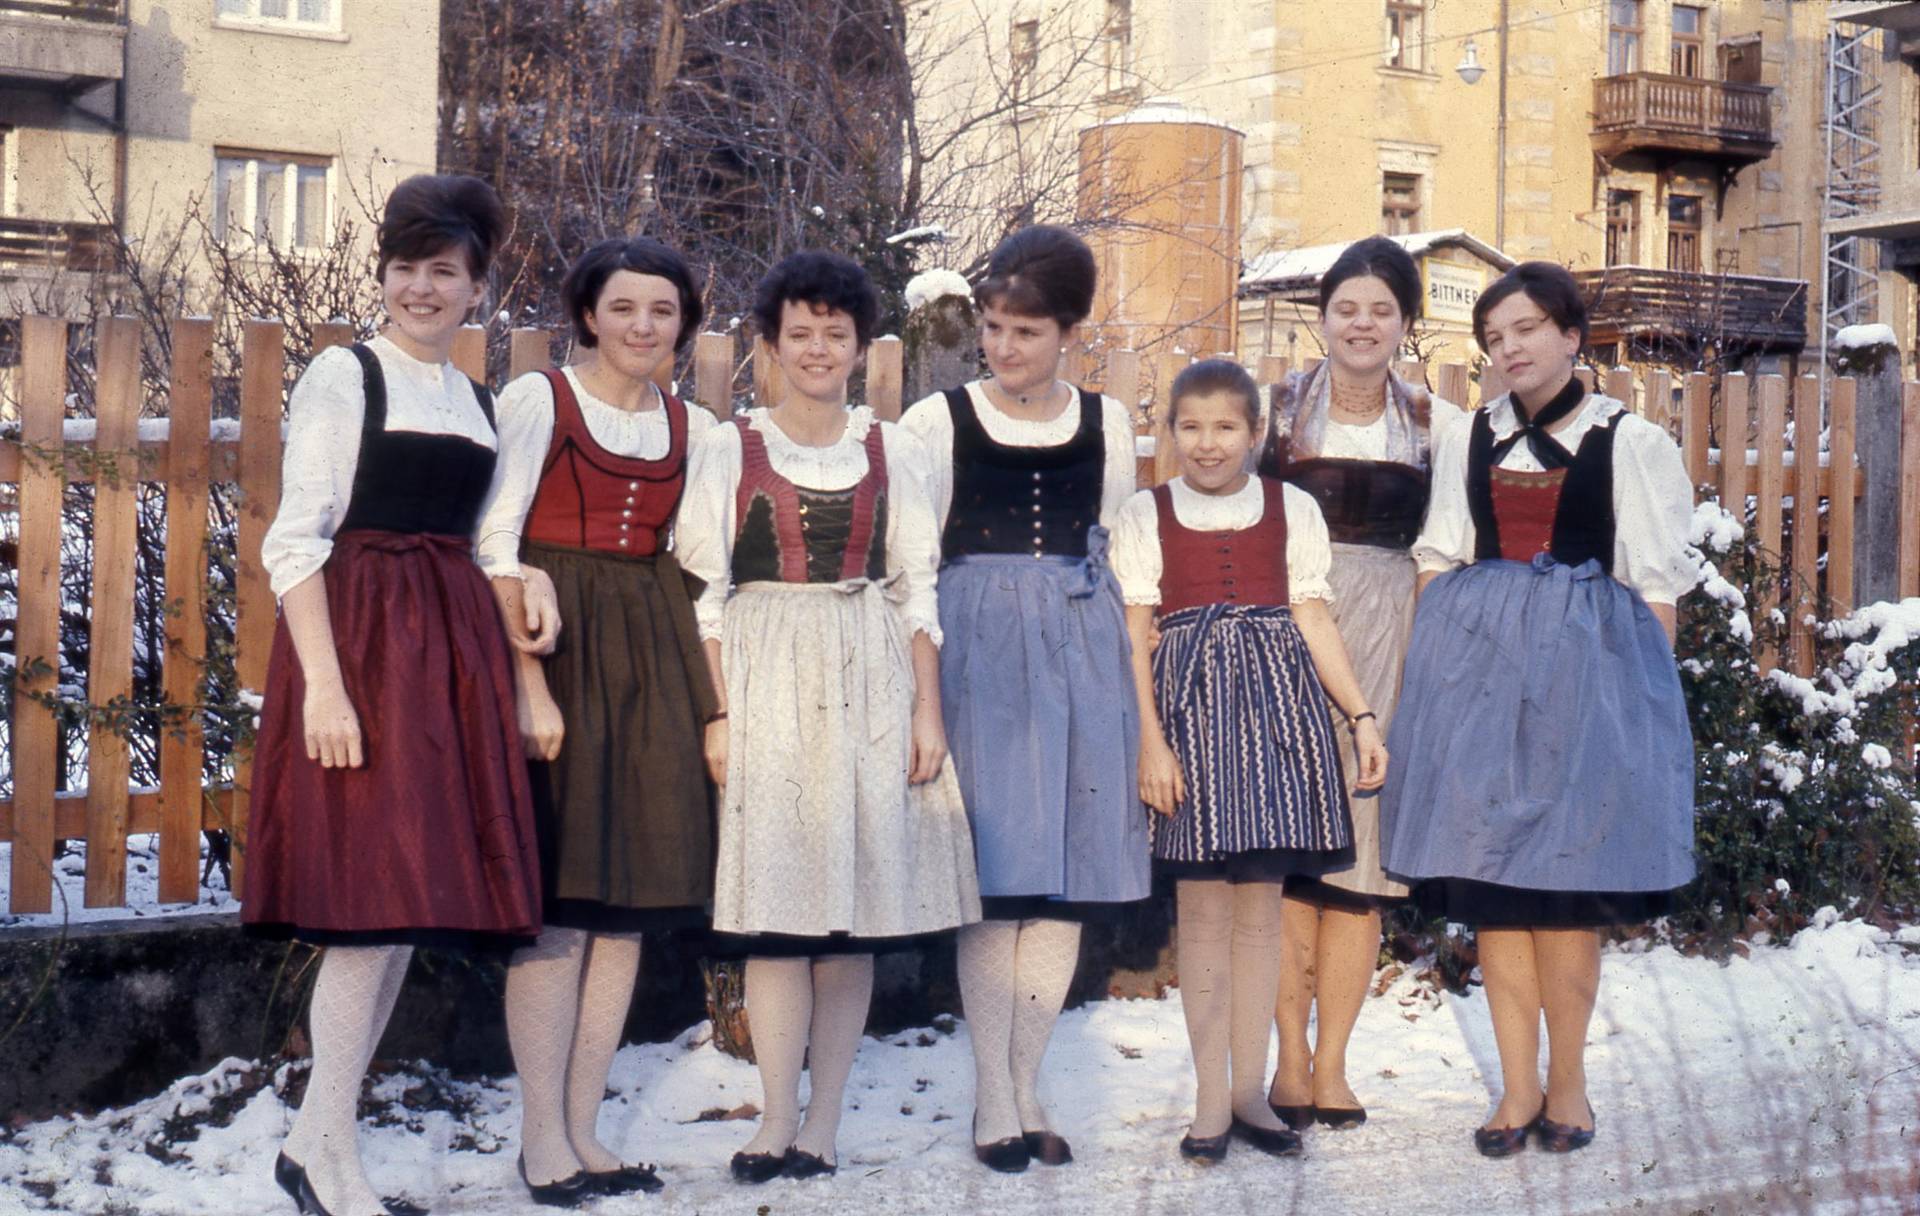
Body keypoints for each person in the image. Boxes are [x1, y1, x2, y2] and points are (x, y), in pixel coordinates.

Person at [244, 174, 541, 1216]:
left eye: (445, 271)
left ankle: (312, 1143)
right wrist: (325, 688)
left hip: (447, 664)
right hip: (363, 656)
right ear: (381, 274)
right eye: (406, 267)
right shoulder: (345, 375)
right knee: (370, 915)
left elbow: (493, 540)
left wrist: (526, 594)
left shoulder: (476, 399)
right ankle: (327, 1153)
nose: (422, 287)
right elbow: (294, 541)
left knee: (402, 912)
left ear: (475, 289)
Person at [676, 250, 980, 1182]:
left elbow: (913, 590)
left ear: (859, 348)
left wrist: (928, 713)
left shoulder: (895, 450)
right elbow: (705, 593)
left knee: (849, 914)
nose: (816, 350)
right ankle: (775, 1116)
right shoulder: (729, 445)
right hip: (766, 676)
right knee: (780, 913)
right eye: (797, 333)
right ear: (768, 344)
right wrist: (719, 716)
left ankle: (825, 1124)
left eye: (834, 335)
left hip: (869, 680)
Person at [1381, 261, 1696, 1157]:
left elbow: (1654, 589)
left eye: (1523, 330)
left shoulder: (1627, 442)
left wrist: (1638, 714)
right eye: (1492, 338)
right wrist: (1430, 695)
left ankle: (1570, 1088)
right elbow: (1440, 560)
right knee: (1496, 896)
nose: (1507, 349)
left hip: (1584, 693)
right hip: (1478, 689)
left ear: (1569, 335)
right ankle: (1515, 1091)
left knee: (1561, 896)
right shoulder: (1469, 438)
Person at [473, 237, 719, 1204]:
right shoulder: (541, 400)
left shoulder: (690, 425)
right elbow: (494, 538)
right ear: (587, 315)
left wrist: (708, 700)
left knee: (626, 909)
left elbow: (699, 563)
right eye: (624, 309)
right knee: (559, 908)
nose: (643, 328)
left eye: (662, 312)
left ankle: (585, 1128)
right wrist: (529, 682)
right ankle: (541, 1139)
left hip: (649, 655)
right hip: (557, 641)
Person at [901, 225, 1147, 1173]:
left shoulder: (1107, 423)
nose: (1005, 348)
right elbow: (915, 569)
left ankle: (1028, 1082)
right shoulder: (938, 423)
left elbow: (1122, 557)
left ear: (1069, 333)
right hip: (981, 662)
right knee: (995, 885)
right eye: (994, 329)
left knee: (1059, 886)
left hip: (1079, 657)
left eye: (1027, 332)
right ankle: (992, 1098)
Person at [1115, 358, 1387, 1163]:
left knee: (1260, 909)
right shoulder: (1145, 513)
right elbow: (1134, 633)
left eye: (1226, 427)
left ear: (1256, 434)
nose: (1207, 444)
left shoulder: (1290, 508)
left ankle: (1249, 1093)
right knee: (1201, 913)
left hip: (1275, 716)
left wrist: (1360, 716)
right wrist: (1149, 740)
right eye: (1190, 427)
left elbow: (1312, 615)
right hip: (1188, 715)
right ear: (1169, 433)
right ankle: (1208, 1098)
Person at [1255, 235, 1457, 1131]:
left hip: (1390, 637)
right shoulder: (1272, 411)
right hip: (1287, 628)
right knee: (1290, 860)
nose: (1362, 324)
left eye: (1382, 309)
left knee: (1360, 866)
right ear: (1324, 317)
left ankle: (1333, 1062)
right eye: (1347, 308)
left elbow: (1449, 548)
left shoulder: (1439, 423)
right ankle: (1287, 1058)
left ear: (1406, 324)